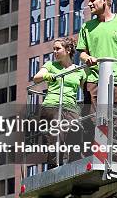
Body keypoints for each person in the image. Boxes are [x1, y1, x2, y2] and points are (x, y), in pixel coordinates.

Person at [33, 37, 85, 165]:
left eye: (58, 49)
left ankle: (75, 165)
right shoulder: (50, 65)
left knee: (76, 132)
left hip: (70, 107)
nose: (54, 52)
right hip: (53, 105)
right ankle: (54, 166)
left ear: (67, 50)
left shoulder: (78, 70)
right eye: (53, 49)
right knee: (56, 137)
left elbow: (86, 90)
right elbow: (36, 78)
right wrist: (47, 75)